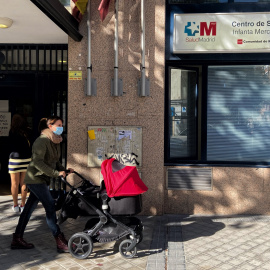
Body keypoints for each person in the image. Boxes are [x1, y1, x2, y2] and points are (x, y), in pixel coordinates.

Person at [11, 116, 74, 253]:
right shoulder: (41, 141)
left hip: (42, 179)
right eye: (58, 124)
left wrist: (63, 170)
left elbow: (55, 161)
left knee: (27, 210)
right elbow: (38, 163)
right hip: (35, 179)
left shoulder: (55, 141)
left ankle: (17, 238)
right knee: (50, 206)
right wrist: (56, 174)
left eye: (62, 124)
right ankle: (59, 240)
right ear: (50, 126)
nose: (61, 127)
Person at [8, 114, 32, 213]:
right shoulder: (28, 131)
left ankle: (15, 205)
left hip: (14, 160)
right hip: (26, 160)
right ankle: (23, 204)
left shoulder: (12, 132)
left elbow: (9, 145)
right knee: (24, 183)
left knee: (14, 184)